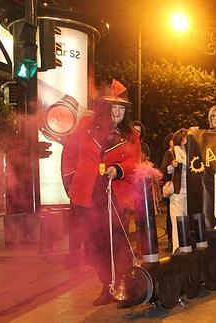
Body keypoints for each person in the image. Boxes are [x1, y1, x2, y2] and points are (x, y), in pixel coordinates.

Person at [61, 80, 141, 306]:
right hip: (87, 193)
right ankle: (107, 285)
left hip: (115, 194)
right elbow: (69, 154)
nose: (117, 112)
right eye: (113, 107)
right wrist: (71, 185)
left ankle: (125, 286)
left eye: (122, 108)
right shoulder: (86, 125)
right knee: (95, 244)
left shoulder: (131, 134)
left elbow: (137, 162)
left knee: (117, 243)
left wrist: (119, 169)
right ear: (105, 107)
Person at [164, 128, 189, 253]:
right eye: (184, 137)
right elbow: (163, 171)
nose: (186, 140)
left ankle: (187, 248)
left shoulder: (191, 153)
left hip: (190, 192)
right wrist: (171, 167)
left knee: (187, 222)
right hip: (177, 192)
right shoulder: (172, 153)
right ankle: (177, 249)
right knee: (176, 221)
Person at [159, 133, 175, 251]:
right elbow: (163, 170)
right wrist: (170, 168)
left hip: (176, 188)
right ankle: (171, 240)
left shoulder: (178, 152)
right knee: (170, 214)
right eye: (172, 140)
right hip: (171, 188)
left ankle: (173, 239)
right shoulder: (169, 153)